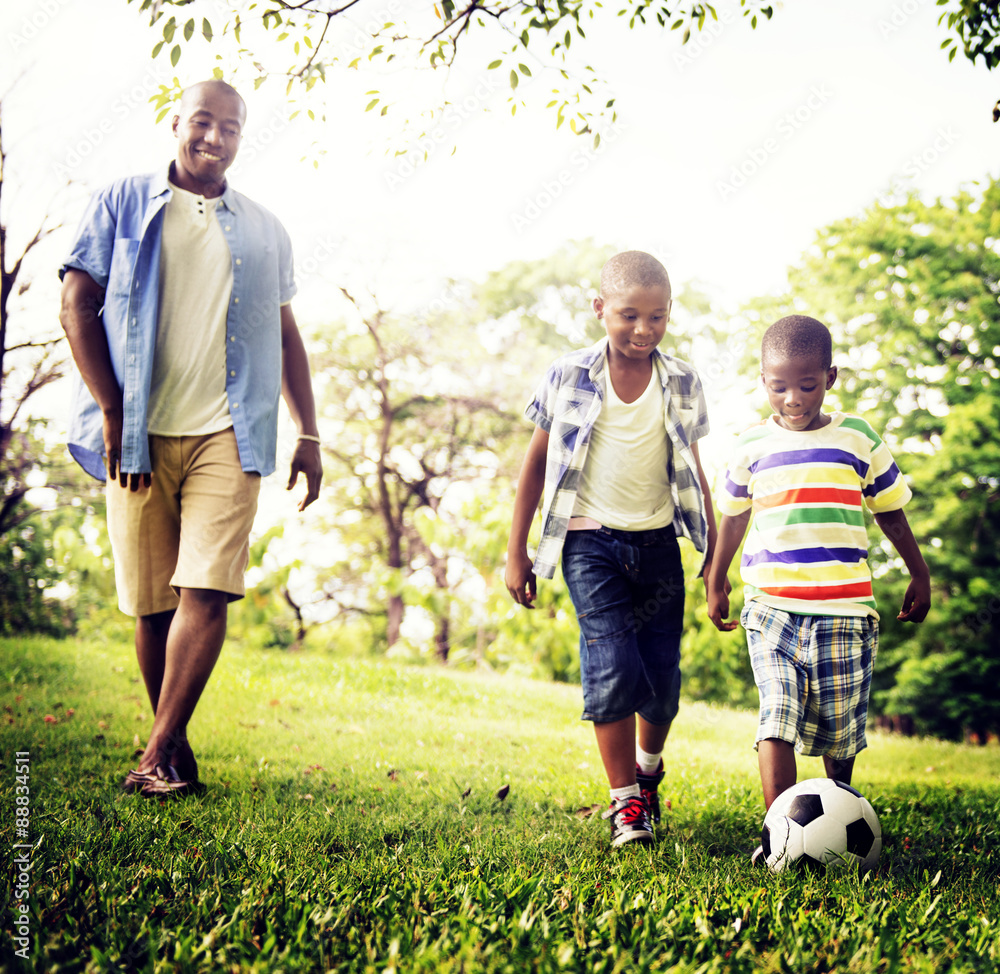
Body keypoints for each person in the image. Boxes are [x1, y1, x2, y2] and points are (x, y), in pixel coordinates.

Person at [58, 80, 323, 798]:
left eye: (230, 128)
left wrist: (311, 433)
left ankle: (153, 753)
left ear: (242, 137)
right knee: (152, 605)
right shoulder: (120, 202)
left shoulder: (266, 229)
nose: (214, 137)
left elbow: (286, 333)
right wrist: (112, 410)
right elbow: (76, 303)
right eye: (201, 122)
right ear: (174, 123)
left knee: (206, 588)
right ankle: (174, 744)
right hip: (136, 432)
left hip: (229, 432)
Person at [506, 251, 717, 848]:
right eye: (628, 315)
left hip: (657, 543)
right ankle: (626, 803)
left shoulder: (683, 381)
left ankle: (648, 775)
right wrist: (515, 550)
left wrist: (716, 558)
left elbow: (695, 470)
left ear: (670, 313)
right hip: (588, 539)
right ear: (600, 310)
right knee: (612, 662)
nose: (643, 329)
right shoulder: (568, 374)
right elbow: (535, 464)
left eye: (657, 317)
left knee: (662, 680)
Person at [705, 315, 930, 857]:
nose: (793, 398)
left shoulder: (858, 437)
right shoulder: (751, 444)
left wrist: (919, 573)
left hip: (846, 609)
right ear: (764, 382)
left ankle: (839, 814)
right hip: (771, 606)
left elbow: (891, 512)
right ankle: (778, 835)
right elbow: (733, 518)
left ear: (830, 377)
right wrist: (716, 578)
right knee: (776, 714)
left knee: (839, 729)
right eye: (779, 386)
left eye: (806, 385)